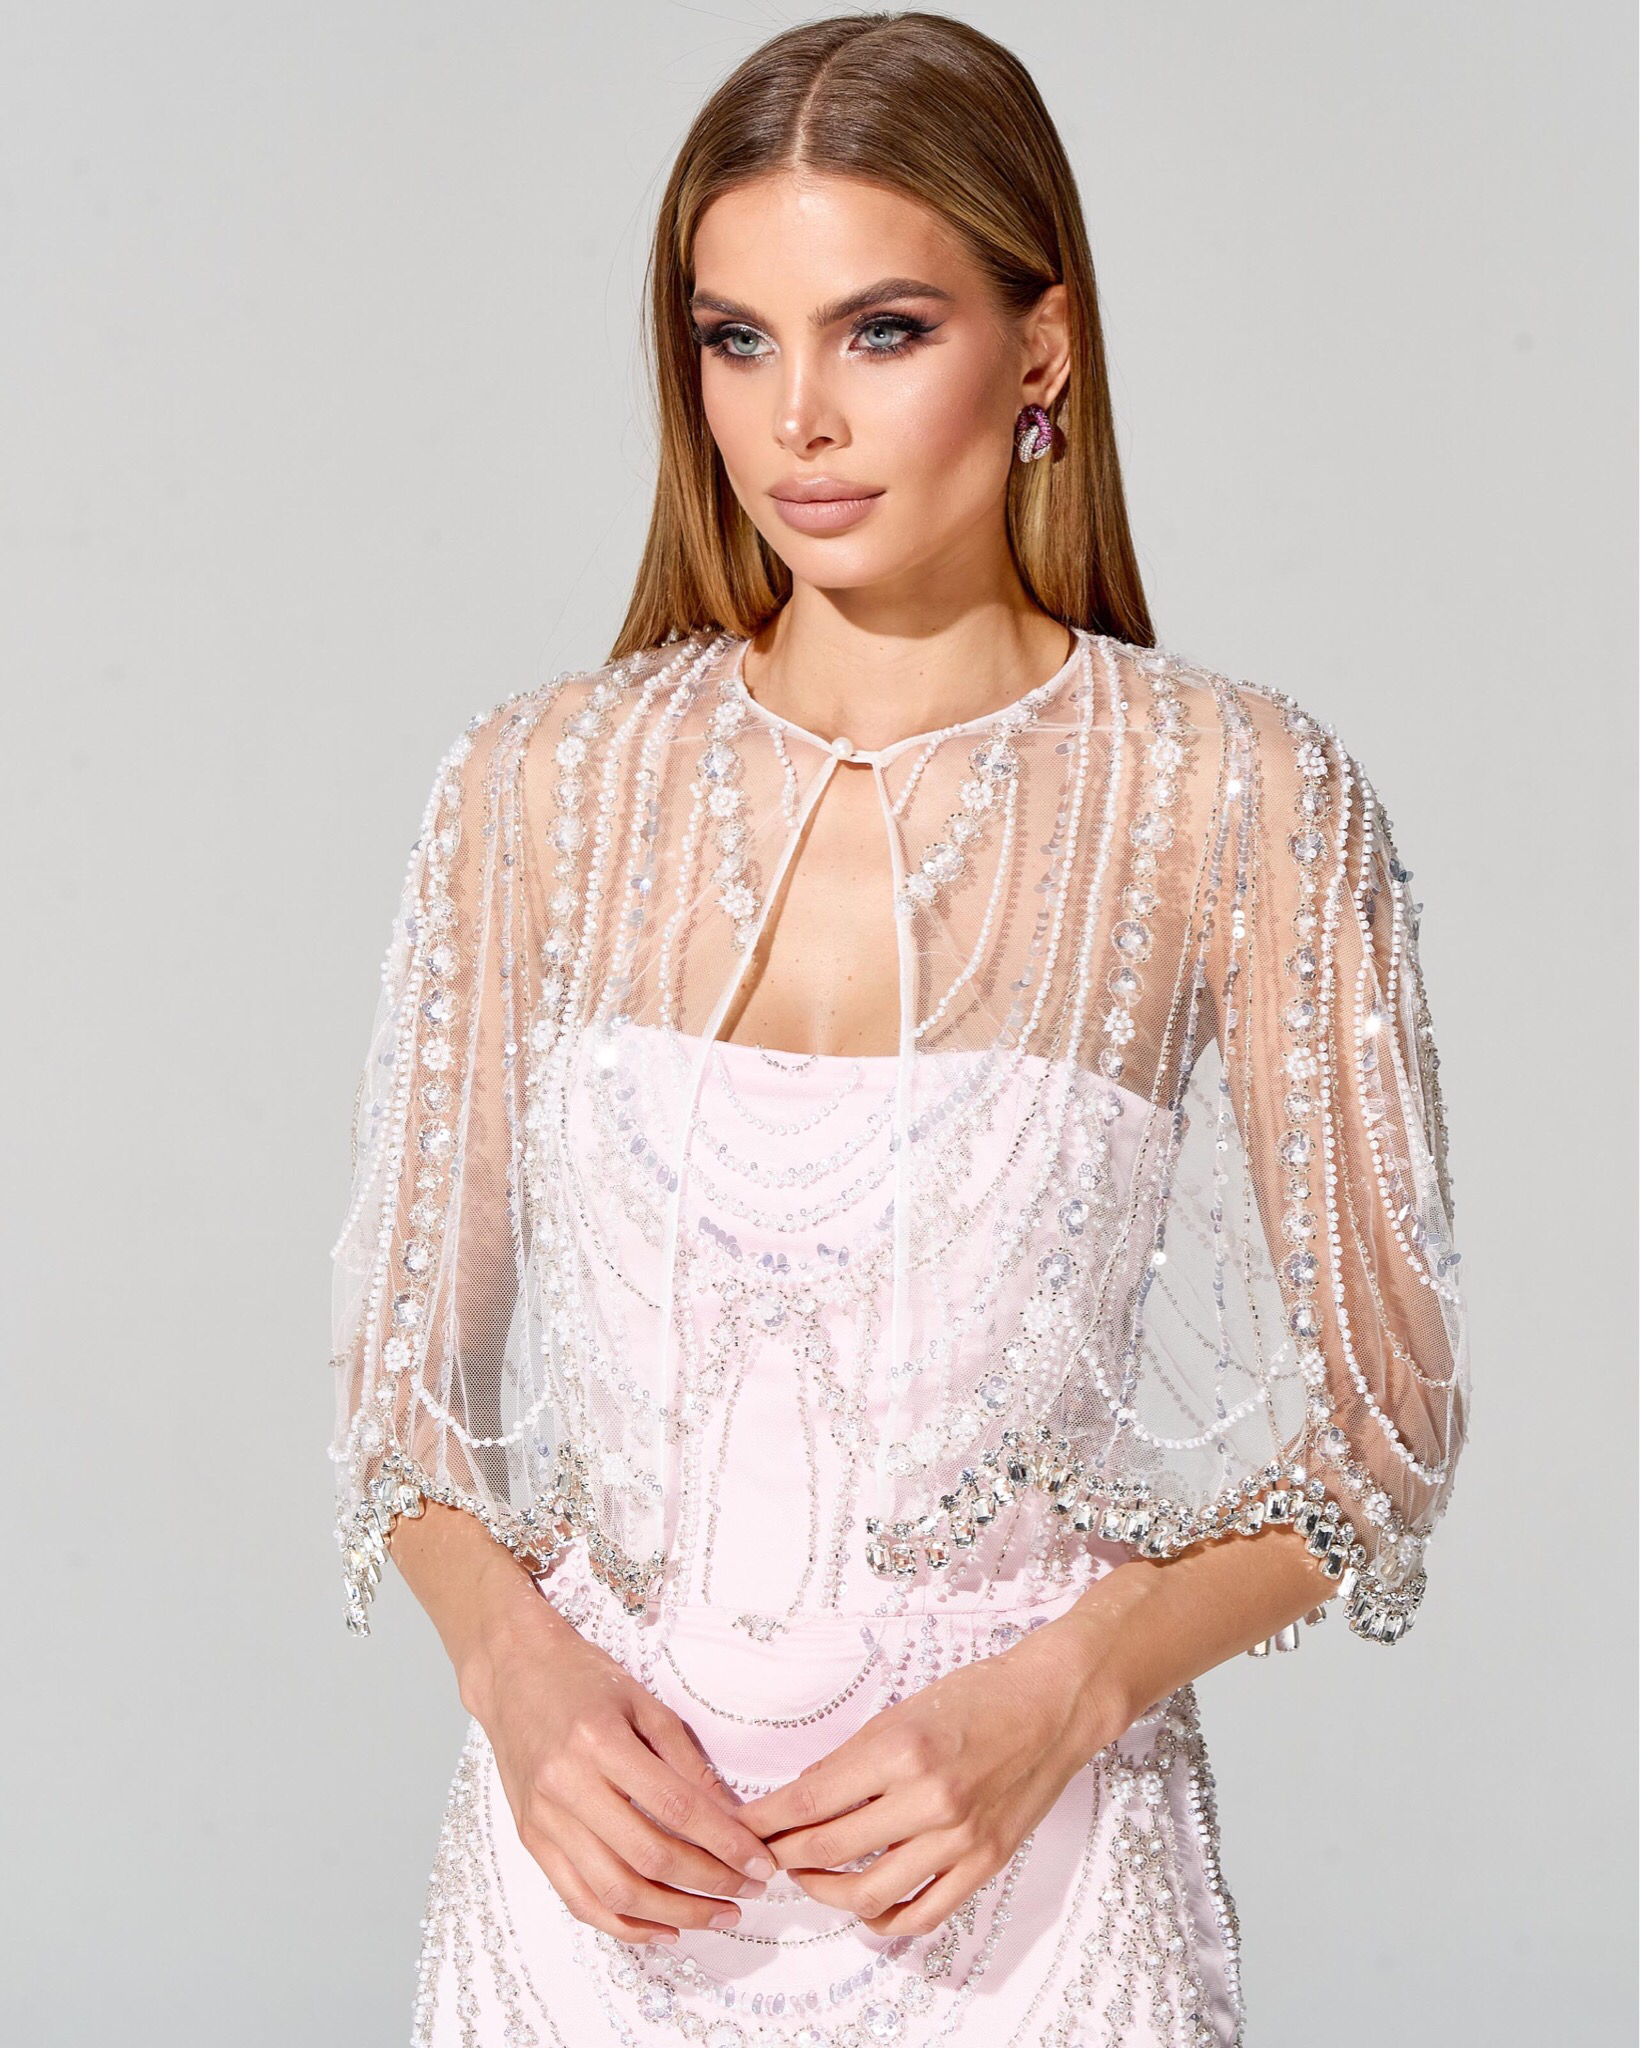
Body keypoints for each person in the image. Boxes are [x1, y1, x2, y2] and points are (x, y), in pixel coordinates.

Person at [327, 14, 1471, 2045]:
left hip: (1025, 1895)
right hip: (588, 1900)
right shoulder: (537, 789)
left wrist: (1075, 1684)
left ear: (1041, 351)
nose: (799, 420)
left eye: (881, 330)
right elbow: (403, 1390)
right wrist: (512, 1670)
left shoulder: (1229, 796)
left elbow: (1387, 1425)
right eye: (734, 339)